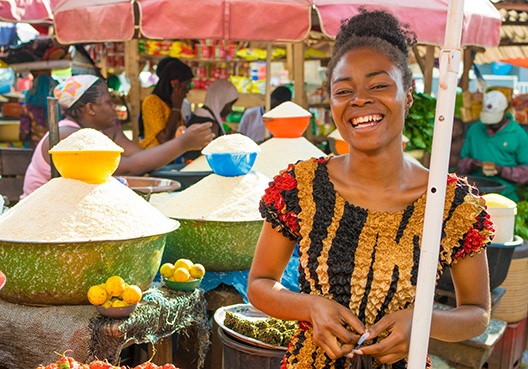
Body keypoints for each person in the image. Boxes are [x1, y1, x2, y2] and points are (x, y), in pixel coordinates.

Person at [247, 9, 493, 369]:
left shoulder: (453, 203)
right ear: (331, 103)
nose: (359, 100)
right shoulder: (300, 187)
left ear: (408, 95)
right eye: (343, 90)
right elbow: (260, 284)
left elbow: (477, 313)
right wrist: (310, 306)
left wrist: (422, 322)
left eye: (379, 85)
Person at [22, 74, 214, 198]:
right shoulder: (67, 136)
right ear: (90, 109)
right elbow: (130, 168)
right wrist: (183, 143)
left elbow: (141, 159)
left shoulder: (101, 131)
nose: (113, 108)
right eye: (108, 102)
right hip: (43, 221)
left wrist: (114, 132)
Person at [457, 90, 528, 201]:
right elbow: (461, 163)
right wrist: (472, 164)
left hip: (505, 197)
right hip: (474, 196)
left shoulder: (519, 135)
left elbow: (525, 174)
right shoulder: (475, 129)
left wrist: (501, 170)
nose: (490, 124)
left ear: (504, 111)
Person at [139, 57, 194, 149]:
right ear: (175, 84)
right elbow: (164, 139)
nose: (189, 89)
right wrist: (176, 107)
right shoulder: (152, 102)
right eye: (187, 85)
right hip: (154, 159)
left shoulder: (172, 103)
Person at [184, 79, 239, 160]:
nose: (230, 109)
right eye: (229, 105)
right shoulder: (210, 125)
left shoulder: (198, 117)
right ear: (220, 101)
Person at [19, 71, 58, 149]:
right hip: (54, 148)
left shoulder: (28, 108)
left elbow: (23, 133)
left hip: (34, 148)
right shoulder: (58, 108)